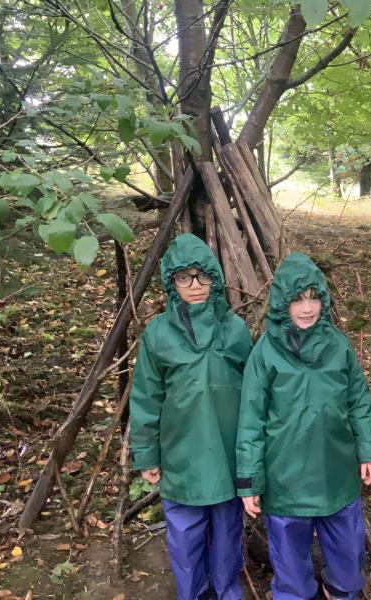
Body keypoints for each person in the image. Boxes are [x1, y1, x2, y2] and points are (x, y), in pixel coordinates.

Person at [235, 252, 371, 600]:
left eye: (313, 298)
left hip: (336, 472)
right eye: (297, 299)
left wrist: (368, 451)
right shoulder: (265, 353)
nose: (307, 308)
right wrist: (249, 481)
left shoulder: (338, 345)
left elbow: (358, 401)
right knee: (289, 565)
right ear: (282, 303)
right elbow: (251, 421)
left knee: (349, 557)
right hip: (286, 479)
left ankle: (339, 590)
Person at [129, 233, 252, 600]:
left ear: (215, 278)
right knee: (185, 535)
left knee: (227, 531)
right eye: (184, 277)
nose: (195, 285)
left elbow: (254, 393)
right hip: (181, 453)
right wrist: (146, 454)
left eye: (202, 276)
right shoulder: (158, 334)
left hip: (227, 452)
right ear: (171, 282)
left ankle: (226, 591)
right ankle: (193, 594)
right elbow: (146, 396)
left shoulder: (234, 329)